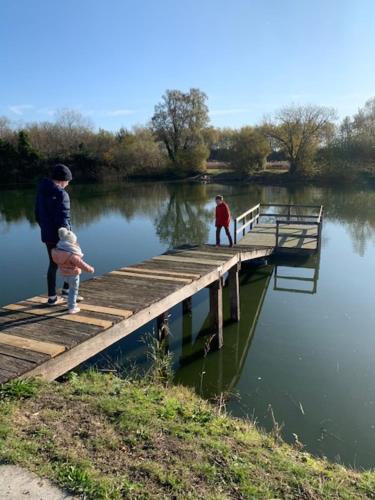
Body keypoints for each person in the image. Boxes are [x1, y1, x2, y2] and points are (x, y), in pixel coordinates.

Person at [35, 163, 77, 305]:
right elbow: (64, 218)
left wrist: (46, 229)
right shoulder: (61, 194)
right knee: (71, 262)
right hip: (63, 236)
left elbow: (37, 215)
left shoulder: (41, 191)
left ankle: (52, 297)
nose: (67, 185)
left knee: (53, 264)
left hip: (48, 236)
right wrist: (68, 236)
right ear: (61, 180)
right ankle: (67, 292)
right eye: (67, 182)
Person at [52, 228, 94, 314]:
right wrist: (90, 269)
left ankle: (70, 302)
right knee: (73, 291)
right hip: (73, 275)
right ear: (70, 243)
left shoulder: (57, 251)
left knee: (71, 289)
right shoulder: (71, 255)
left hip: (63, 274)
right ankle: (72, 307)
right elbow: (81, 264)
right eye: (74, 242)